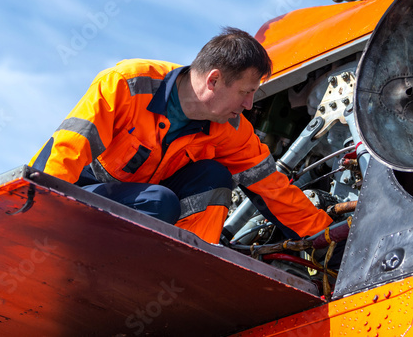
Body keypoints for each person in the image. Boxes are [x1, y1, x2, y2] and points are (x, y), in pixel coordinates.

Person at [30, 27, 333, 244]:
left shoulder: (232, 130)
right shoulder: (126, 83)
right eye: (245, 93)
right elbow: (66, 150)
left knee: (214, 177)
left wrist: (329, 236)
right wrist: (36, 211)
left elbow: (275, 190)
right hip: (81, 198)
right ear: (214, 80)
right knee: (158, 202)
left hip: (143, 204)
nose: (248, 105)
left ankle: (192, 263)